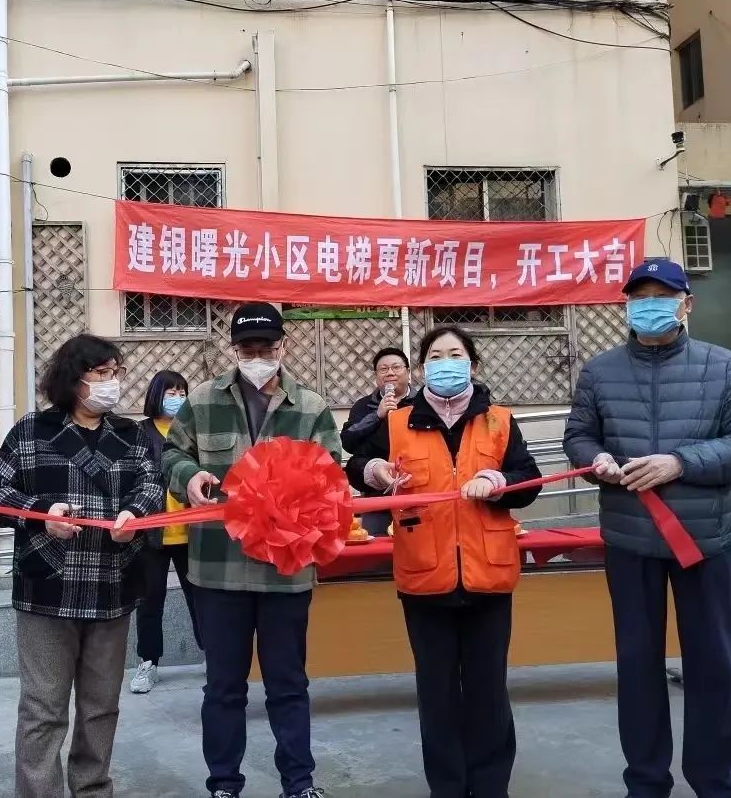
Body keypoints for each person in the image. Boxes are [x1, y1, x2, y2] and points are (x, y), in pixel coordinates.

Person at [563, 259, 731, 798]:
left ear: (686, 304)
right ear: (626, 306)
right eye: (639, 297)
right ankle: (646, 781)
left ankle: (713, 781)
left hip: (704, 540)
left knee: (713, 666)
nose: (649, 305)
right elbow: (578, 436)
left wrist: (680, 462)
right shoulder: (600, 371)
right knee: (636, 665)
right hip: (630, 540)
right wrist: (596, 459)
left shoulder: (725, 367)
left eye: (662, 295)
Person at [347, 325, 542, 798]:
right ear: (422, 368)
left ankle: (491, 786)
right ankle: (448, 787)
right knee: (436, 695)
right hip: (424, 576)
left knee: (488, 691)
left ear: (473, 365)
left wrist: (498, 481)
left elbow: (528, 479)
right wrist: (376, 471)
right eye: (436, 355)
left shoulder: (498, 420)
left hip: (487, 575)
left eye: (456, 354)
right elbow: (355, 464)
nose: (446, 363)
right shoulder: (399, 422)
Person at [163, 302, 340, 798]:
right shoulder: (202, 401)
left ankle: (299, 784)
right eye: (248, 348)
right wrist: (187, 475)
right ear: (234, 349)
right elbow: (172, 453)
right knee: (223, 687)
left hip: (285, 572)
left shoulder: (310, 407)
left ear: (283, 346)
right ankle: (224, 783)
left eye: (266, 347)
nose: (257, 356)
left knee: (289, 684)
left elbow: (333, 471)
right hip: (218, 570)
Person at [0, 334, 163, 798]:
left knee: (101, 707)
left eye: (116, 373)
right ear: (73, 378)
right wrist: (42, 513)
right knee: (43, 709)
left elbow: (151, 487)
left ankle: (93, 789)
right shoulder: (32, 431)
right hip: (47, 590)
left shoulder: (130, 434)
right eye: (102, 373)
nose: (112, 382)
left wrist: (135, 516)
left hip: (112, 587)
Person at [130, 369, 203, 694]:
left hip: (192, 532)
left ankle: (212, 656)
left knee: (200, 599)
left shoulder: (192, 430)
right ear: (156, 395)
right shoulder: (139, 433)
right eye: (171, 393)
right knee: (149, 600)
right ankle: (148, 662)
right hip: (152, 535)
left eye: (182, 393)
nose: (177, 399)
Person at [341, 347, 419, 536]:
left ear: (408, 372)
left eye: (396, 367)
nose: (390, 373)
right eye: (383, 369)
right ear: (376, 376)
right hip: (377, 493)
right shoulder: (363, 406)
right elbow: (349, 442)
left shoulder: (423, 402)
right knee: (375, 543)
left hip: (418, 490)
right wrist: (377, 415)